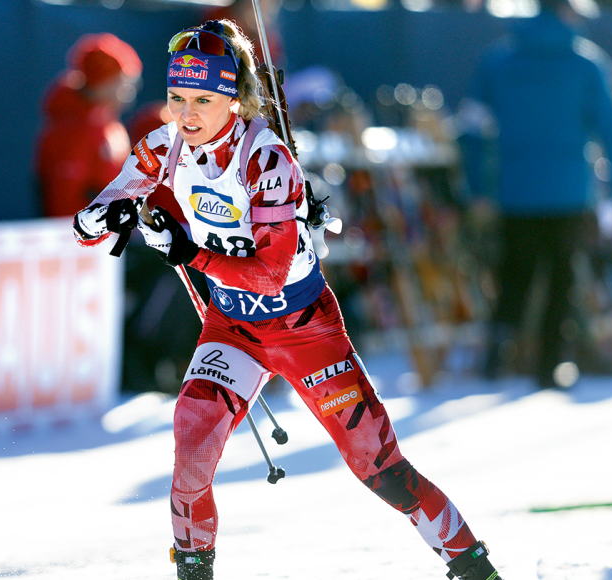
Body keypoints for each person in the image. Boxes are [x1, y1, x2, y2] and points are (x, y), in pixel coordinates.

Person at [72, 19, 503, 580]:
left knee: (378, 466)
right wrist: (105, 214)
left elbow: (271, 274)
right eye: (177, 98)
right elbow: (87, 225)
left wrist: (188, 253)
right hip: (233, 328)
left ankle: (471, 564)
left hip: (303, 327)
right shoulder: (164, 144)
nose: (188, 113)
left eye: (204, 99)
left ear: (236, 99)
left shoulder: (265, 158)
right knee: (192, 443)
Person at [461, 0, 612, 388]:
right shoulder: (587, 63)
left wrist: (478, 187)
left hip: (514, 190)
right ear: (568, 12)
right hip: (569, 190)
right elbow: (610, 131)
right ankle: (549, 366)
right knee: (562, 280)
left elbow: (471, 129)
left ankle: (495, 360)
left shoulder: (498, 60)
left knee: (513, 276)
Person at [35, 33, 142, 218]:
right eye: (122, 82)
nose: (128, 90)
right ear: (103, 83)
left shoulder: (106, 122)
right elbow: (65, 203)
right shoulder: (73, 130)